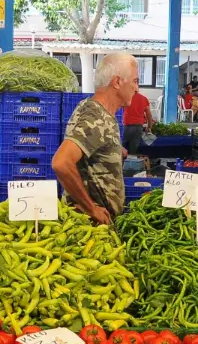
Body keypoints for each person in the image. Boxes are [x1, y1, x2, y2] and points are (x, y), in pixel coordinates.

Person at [52, 51, 135, 225]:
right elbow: (61, 163)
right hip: (90, 228)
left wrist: (113, 149)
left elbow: (91, 143)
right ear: (117, 82)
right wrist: (91, 208)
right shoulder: (95, 116)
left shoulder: (96, 111)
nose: (137, 88)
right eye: (135, 81)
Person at [122, 89, 153, 153]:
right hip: (138, 128)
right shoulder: (144, 98)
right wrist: (149, 127)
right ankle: (131, 161)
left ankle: (122, 162)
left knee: (122, 149)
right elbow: (149, 114)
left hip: (126, 127)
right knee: (133, 151)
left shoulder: (125, 97)